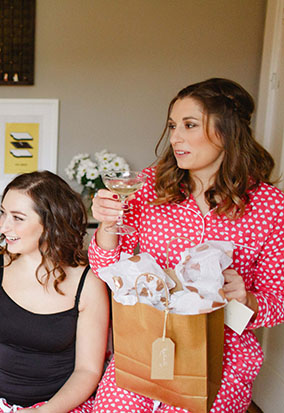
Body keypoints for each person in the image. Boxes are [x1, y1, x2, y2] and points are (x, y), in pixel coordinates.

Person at [90, 78, 284, 412]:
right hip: (147, 342)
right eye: (172, 126)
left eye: (189, 125)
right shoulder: (149, 187)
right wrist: (106, 225)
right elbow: (107, 268)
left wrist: (246, 297)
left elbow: (277, 303)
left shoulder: (269, 206)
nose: (175, 137)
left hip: (221, 357)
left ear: (228, 130)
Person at [0, 171, 110, 412]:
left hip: (57, 405)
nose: (4, 226)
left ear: (51, 223)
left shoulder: (88, 283)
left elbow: (87, 371)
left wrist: (42, 411)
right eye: (3, 213)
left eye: (17, 217)